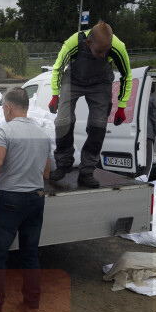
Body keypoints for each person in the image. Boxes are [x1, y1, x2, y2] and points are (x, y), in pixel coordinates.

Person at [0, 87, 52, 312]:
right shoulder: (42, 133)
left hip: (11, 200)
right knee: (30, 253)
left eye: (3, 109)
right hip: (37, 197)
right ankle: (32, 305)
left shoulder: (5, 130)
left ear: (7, 107)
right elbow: (47, 173)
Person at [48, 21, 132, 188]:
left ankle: (87, 171)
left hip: (100, 84)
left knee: (98, 126)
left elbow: (127, 76)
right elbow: (58, 68)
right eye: (99, 51)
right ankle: (64, 163)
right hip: (74, 79)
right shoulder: (74, 42)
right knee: (63, 120)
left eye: (106, 52)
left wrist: (122, 105)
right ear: (88, 43)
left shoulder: (117, 47)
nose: (103, 55)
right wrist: (55, 95)